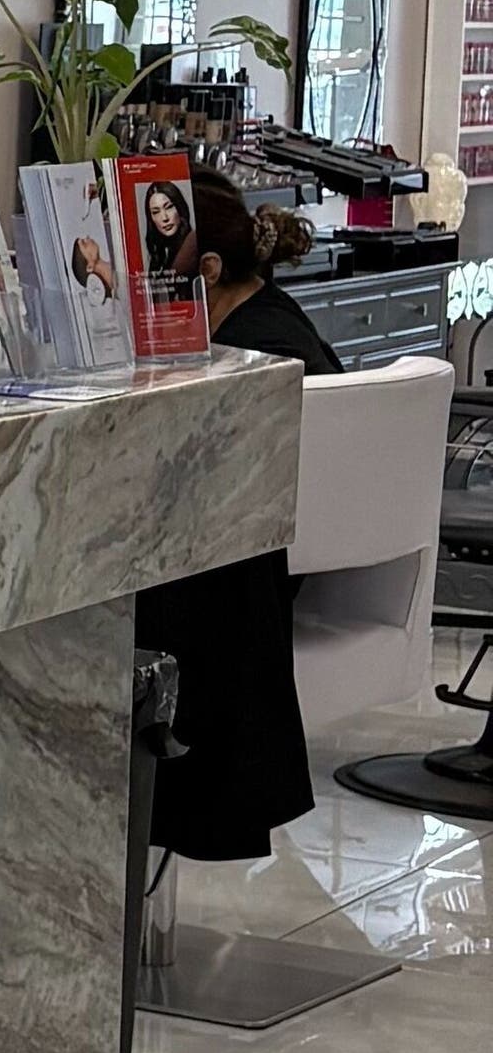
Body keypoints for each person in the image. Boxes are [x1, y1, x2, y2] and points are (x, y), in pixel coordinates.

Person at [140, 167, 336, 860]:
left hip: (257, 587)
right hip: (289, 570)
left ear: (211, 271)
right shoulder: (278, 324)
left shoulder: (260, 357)